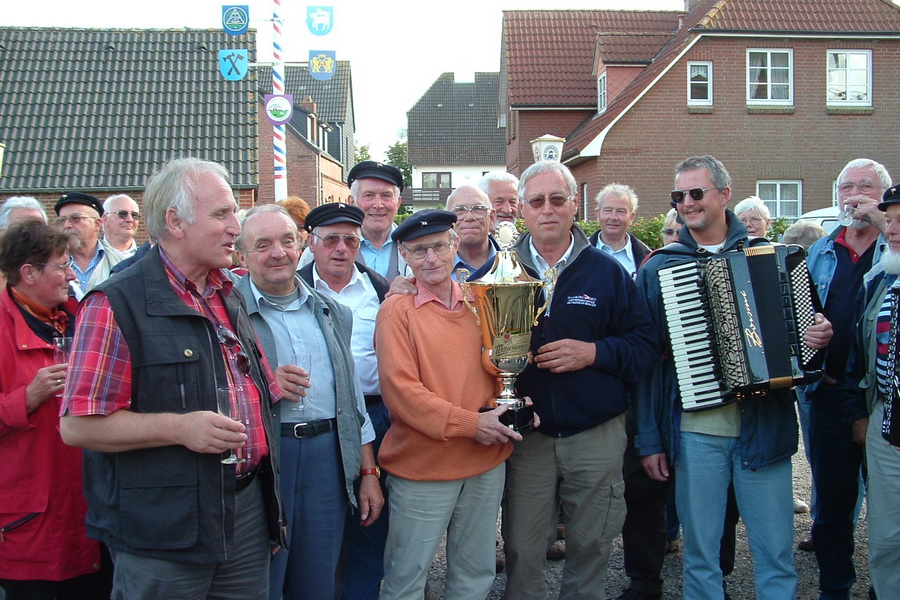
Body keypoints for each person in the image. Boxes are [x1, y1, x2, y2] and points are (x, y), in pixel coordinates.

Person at [59, 157, 286, 600]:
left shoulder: (225, 293)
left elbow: (240, 388)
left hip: (243, 514)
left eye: (234, 213)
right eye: (221, 214)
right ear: (175, 222)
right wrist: (180, 428)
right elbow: (78, 425)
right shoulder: (116, 303)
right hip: (164, 529)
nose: (235, 227)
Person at [635, 155, 832, 600]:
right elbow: (646, 365)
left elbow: (807, 340)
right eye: (679, 195)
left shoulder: (773, 258)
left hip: (764, 429)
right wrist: (649, 440)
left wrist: (818, 336)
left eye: (697, 193)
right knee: (700, 556)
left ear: (724, 194)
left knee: (776, 554)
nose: (687, 203)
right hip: (695, 435)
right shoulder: (659, 268)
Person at [473, 161, 657, 600]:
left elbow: (645, 347)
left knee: (592, 547)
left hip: (595, 434)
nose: (548, 209)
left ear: (575, 204)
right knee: (522, 550)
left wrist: (594, 352)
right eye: (537, 201)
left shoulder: (607, 272)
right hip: (527, 439)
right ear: (522, 209)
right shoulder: (497, 273)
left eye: (558, 199)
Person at [234, 204, 382, 600]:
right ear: (241, 256)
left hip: (325, 458)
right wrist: (264, 381)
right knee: (261, 581)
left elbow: (352, 400)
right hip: (264, 461)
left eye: (286, 241)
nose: (277, 253)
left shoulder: (332, 311)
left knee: (318, 579)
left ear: (300, 246)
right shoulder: (228, 313)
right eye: (262, 245)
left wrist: (368, 473)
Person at [375, 210, 522, 600]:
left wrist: (513, 404)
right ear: (404, 255)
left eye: (439, 246)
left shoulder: (481, 299)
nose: (431, 259)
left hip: (484, 462)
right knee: (407, 579)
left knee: (475, 574)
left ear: (455, 245)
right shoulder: (396, 311)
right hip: (424, 468)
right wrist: (471, 424)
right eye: (419, 250)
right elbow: (402, 392)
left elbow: (502, 364)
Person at [0, 220, 111, 600]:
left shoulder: (79, 318)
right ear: (28, 273)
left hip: (94, 512)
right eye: (62, 266)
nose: (71, 275)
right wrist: (26, 399)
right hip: (32, 525)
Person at [803, 158, 890, 598]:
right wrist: (811, 333)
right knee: (832, 507)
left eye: (866, 187)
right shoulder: (820, 251)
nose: (854, 196)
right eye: (846, 188)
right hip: (830, 391)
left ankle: (884, 588)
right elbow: (801, 314)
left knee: (888, 505)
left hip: (880, 400)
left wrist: (883, 223)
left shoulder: (894, 247)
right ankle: (834, 588)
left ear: (884, 197)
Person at [298, 202, 391, 600]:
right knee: (316, 525)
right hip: (316, 422)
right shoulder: (290, 288)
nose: (341, 248)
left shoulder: (381, 289)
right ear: (311, 243)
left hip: (375, 414)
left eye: (350, 240)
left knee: (372, 520)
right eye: (331, 239)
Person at [845, 182, 900, 600]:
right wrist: (865, 410)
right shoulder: (884, 278)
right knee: (886, 533)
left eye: (899, 222)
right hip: (887, 415)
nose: (891, 229)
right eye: (890, 220)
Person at [53, 192, 126, 299]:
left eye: (76, 218)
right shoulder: (48, 264)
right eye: (62, 220)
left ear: (97, 224)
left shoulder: (120, 263)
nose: (67, 225)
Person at [351, 161, 408, 281]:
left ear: (398, 203)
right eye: (369, 195)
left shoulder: (414, 246)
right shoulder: (326, 248)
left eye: (386, 195)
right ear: (352, 203)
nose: (378, 205)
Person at [588, 183, 651, 279]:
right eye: (608, 210)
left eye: (621, 211)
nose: (613, 217)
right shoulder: (577, 253)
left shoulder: (647, 258)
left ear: (632, 217)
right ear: (597, 214)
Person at [446, 185, 500, 278]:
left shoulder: (513, 264)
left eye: (478, 209)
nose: (469, 217)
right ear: (448, 220)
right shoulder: (434, 269)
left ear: (492, 217)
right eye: (459, 210)